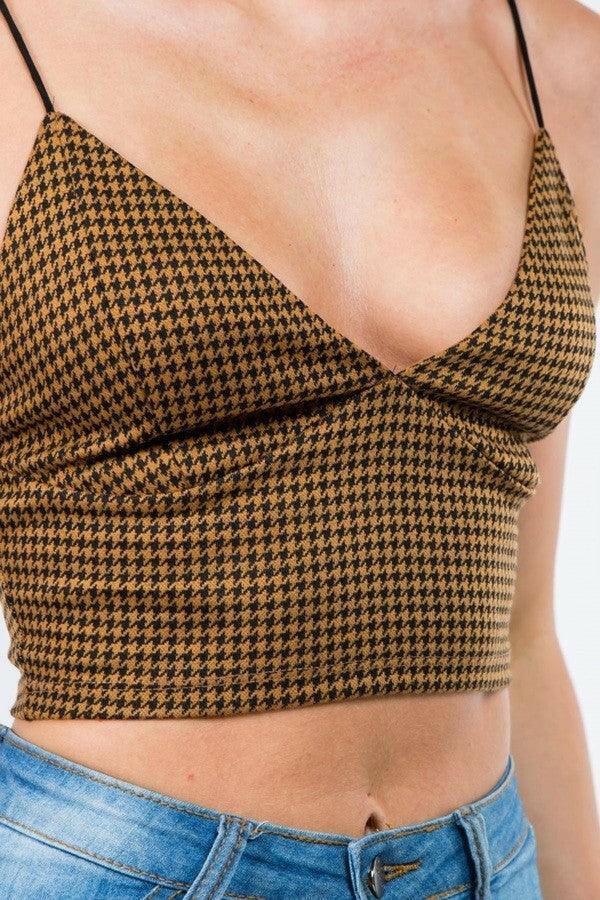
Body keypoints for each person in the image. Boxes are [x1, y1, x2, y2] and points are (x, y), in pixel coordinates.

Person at [0, 1, 598, 897]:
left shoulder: (553, 57)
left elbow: (526, 631)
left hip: (486, 863)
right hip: (116, 865)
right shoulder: (19, 47)